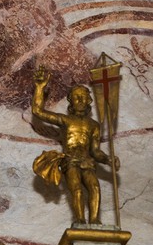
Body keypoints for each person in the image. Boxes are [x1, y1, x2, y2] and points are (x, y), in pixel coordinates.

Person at [30, 68, 118, 224]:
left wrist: (107, 159)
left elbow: (95, 151)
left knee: (95, 188)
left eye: (83, 97)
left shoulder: (94, 125)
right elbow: (37, 111)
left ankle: (95, 221)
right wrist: (40, 88)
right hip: (70, 161)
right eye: (77, 97)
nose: (80, 100)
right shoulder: (66, 120)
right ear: (71, 101)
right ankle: (80, 220)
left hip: (87, 161)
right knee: (76, 189)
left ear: (88, 101)